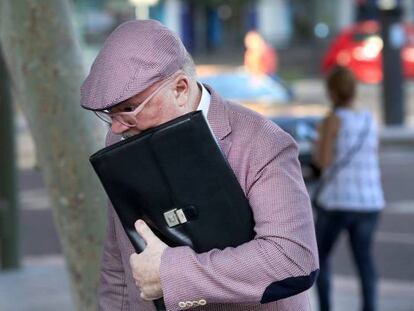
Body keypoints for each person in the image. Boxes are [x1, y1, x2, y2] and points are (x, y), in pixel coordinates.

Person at [81, 20, 318, 311]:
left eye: (129, 109)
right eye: (110, 114)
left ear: (180, 88)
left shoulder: (263, 141)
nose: (117, 127)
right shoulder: (120, 138)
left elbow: (291, 258)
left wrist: (170, 274)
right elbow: (118, 262)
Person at [312, 66, 385, 311]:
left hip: (337, 202)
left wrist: (321, 136)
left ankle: (325, 307)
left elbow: (322, 162)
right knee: (364, 261)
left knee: (319, 258)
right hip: (370, 202)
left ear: (332, 92)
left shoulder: (332, 120)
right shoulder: (369, 119)